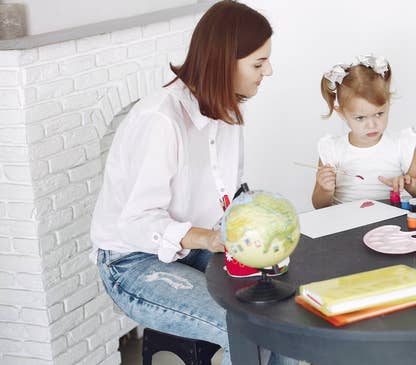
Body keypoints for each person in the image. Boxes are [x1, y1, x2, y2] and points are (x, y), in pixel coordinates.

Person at [90, 2, 298, 364]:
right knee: (244, 326)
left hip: (198, 245)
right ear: (224, 60)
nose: (269, 71)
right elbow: (136, 223)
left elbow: (227, 195)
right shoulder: (160, 120)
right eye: (258, 63)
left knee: (282, 313)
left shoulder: (229, 112)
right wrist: (209, 238)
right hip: (132, 261)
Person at [312, 55, 416, 208]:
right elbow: (318, 205)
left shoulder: (401, 145)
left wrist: (410, 183)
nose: (372, 125)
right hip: (346, 225)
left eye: (379, 114)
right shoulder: (332, 150)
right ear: (342, 114)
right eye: (360, 118)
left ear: (388, 105)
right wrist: (325, 189)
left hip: (389, 224)